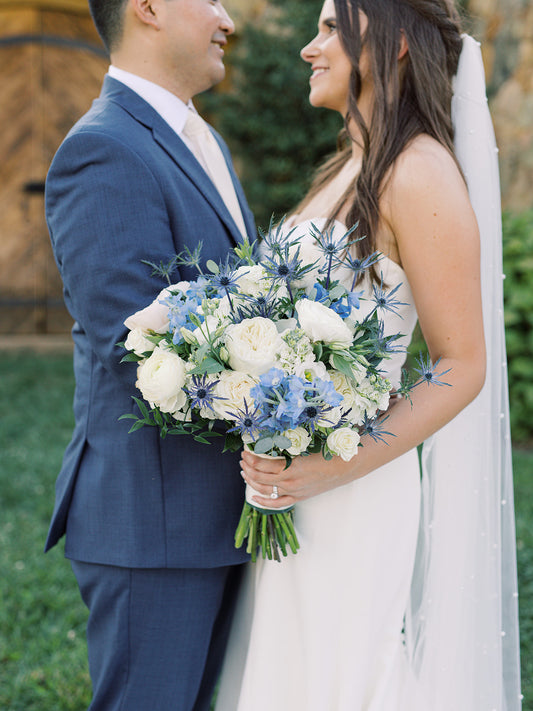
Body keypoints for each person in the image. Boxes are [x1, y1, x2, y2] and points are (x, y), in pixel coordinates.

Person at [215, 0, 521, 709]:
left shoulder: (418, 174)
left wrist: (327, 465)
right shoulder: (347, 167)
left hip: (352, 488)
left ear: (395, 45)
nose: (307, 48)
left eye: (328, 28)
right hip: (292, 481)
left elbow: (461, 363)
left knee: (339, 676)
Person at [44, 1, 255, 709]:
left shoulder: (206, 142)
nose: (228, 18)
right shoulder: (103, 146)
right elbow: (130, 347)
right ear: (149, 8)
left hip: (220, 515)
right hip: (154, 523)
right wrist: (277, 386)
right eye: (213, 0)